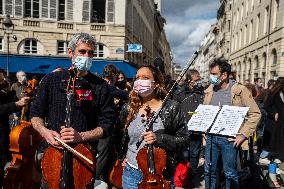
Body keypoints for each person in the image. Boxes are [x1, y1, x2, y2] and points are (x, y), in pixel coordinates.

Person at [30, 33, 115, 187]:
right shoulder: (51, 80)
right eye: (82, 52)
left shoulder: (101, 86)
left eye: (90, 53)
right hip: (51, 152)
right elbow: (36, 114)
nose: (87, 56)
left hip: (83, 155)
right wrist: (45, 132)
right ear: (70, 52)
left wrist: (81, 136)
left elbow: (108, 124)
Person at [120, 65, 189, 189]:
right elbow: (120, 136)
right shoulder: (128, 108)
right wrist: (122, 157)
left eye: (145, 77)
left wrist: (159, 138)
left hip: (161, 174)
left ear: (155, 83)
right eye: (137, 78)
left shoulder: (171, 107)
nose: (140, 81)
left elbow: (184, 140)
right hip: (131, 173)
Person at [203, 59, 261, 189]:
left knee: (230, 173)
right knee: (209, 171)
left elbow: (255, 114)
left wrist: (243, 135)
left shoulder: (240, 90)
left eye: (214, 74)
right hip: (211, 138)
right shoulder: (210, 89)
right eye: (210, 73)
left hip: (229, 140)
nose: (211, 77)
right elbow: (206, 112)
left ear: (224, 75)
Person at [172, 69, 204, 188]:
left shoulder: (201, 92)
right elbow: (174, 110)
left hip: (197, 129)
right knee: (182, 154)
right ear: (189, 81)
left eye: (199, 79)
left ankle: (193, 176)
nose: (198, 82)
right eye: (196, 80)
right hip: (182, 129)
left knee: (194, 154)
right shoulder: (179, 93)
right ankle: (182, 177)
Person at [0, 72, 30, 188]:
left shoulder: (4, 91)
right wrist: (16, 104)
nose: (3, 81)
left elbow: (11, 100)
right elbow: (6, 107)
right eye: (1, 79)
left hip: (4, 131)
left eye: (3, 79)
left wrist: (9, 90)